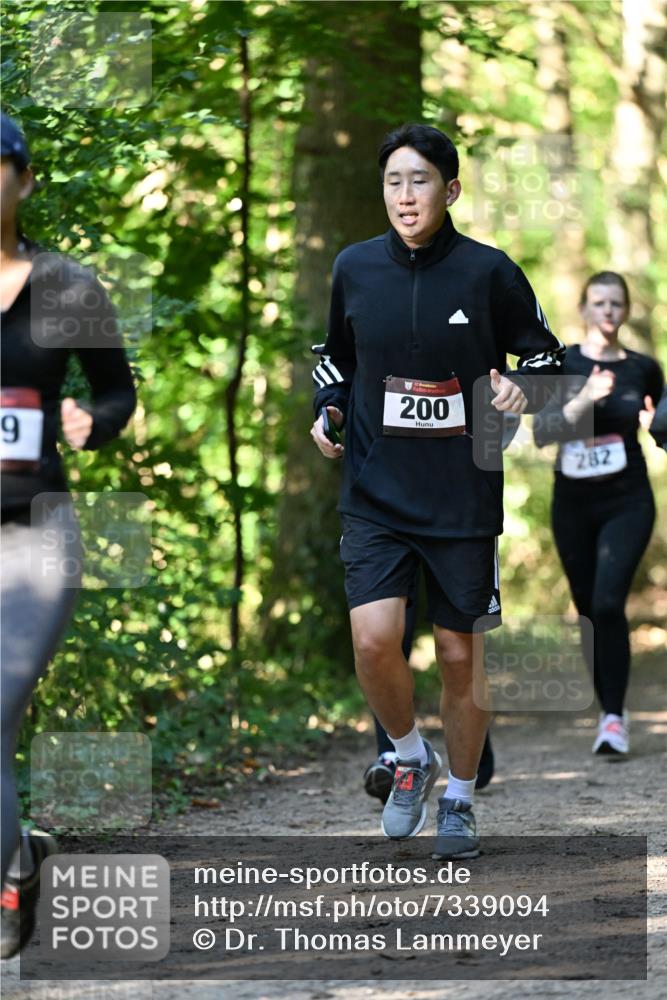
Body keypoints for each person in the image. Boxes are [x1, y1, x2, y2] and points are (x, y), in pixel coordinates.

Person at [310, 123, 564, 859]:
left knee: (458, 654)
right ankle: (407, 755)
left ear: (449, 190)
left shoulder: (487, 273)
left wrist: (525, 386)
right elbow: (335, 361)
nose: (405, 195)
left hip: (460, 494)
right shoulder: (354, 268)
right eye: (393, 181)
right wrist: (326, 412)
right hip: (374, 489)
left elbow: (546, 357)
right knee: (373, 638)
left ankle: (459, 798)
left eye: (419, 180)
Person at [0, 112, 136, 958]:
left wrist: (95, 418)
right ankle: (19, 858)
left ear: (24, 179)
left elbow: (118, 392)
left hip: (37, 537)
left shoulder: (67, 287)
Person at [533, 272, 664, 755]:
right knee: (588, 609)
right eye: (598, 303)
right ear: (585, 309)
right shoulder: (562, 363)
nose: (607, 311)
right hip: (573, 503)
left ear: (625, 311)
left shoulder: (645, 368)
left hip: (627, 499)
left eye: (616, 303)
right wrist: (585, 398)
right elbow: (544, 432)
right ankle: (610, 705)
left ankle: (612, 719)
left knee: (609, 602)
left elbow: (663, 428)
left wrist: (656, 428)